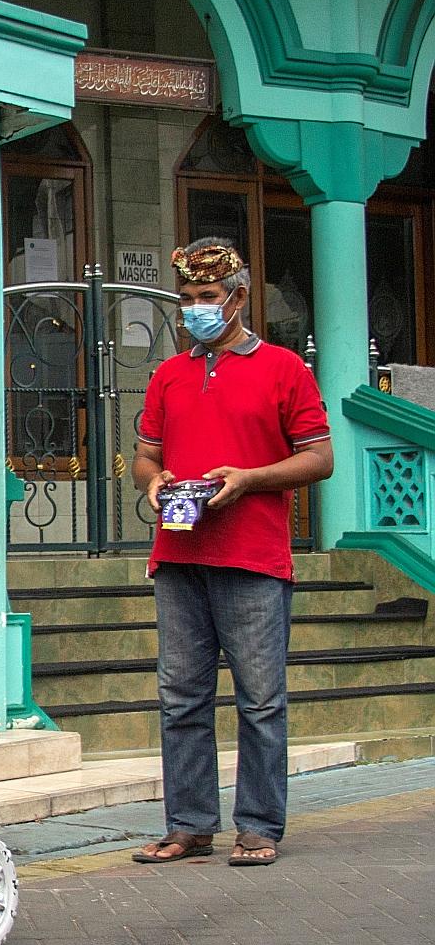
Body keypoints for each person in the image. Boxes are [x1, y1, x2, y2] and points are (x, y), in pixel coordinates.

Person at [131, 238, 333, 867]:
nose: (195, 308)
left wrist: (248, 479)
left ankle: (259, 827)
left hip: (253, 559)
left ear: (238, 297)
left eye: (208, 296)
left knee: (261, 700)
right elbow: (145, 456)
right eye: (187, 298)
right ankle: (189, 826)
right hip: (178, 556)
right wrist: (154, 482)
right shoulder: (169, 374)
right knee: (180, 699)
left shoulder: (285, 368)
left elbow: (320, 458)